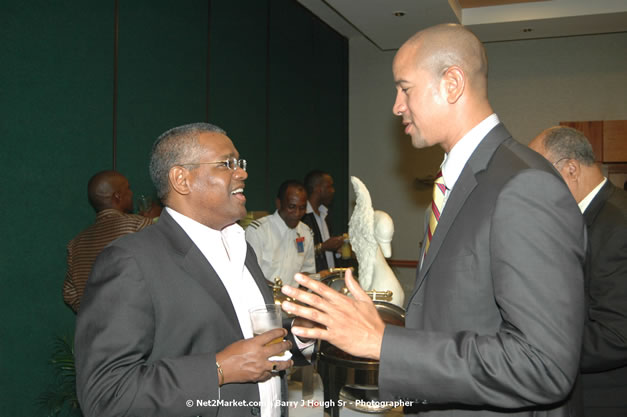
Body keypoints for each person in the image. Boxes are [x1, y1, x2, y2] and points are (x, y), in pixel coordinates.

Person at [281, 23, 586, 416]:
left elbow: (543, 365)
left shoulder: (523, 185)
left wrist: (384, 344)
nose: (396, 105)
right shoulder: (455, 187)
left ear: (452, 83)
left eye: (405, 88)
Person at [75, 123, 312, 417]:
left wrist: (302, 335)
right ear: (182, 179)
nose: (242, 173)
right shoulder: (130, 261)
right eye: (228, 164)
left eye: (240, 163)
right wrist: (218, 370)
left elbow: (246, 338)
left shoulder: (242, 248)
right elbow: (105, 396)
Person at [529, 126, 627, 417]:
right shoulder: (587, 217)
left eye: (539, 176)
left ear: (571, 169)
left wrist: (542, 352)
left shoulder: (618, 224)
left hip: (605, 400)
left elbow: (617, 333)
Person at [63, 170, 153, 313]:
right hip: (138, 325)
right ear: (118, 196)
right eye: (128, 189)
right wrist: (154, 221)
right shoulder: (139, 226)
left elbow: (69, 293)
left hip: (97, 330)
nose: (131, 193)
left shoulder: (75, 244)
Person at [245, 180, 315, 287]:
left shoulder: (306, 232)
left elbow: (308, 270)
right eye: (292, 207)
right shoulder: (258, 231)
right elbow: (252, 274)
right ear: (279, 203)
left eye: (302, 208)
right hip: (265, 299)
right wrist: (280, 293)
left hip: (293, 299)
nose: (297, 213)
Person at [301, 170, 345, 272]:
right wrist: (323, 247)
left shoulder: (325, 214)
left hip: (330, 278)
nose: (333, 190)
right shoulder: (302, 217)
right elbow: (297, 253)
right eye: (329, 186)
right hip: (312, 280)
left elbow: (328, 251)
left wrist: (337, 249)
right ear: (318, 189)